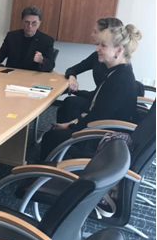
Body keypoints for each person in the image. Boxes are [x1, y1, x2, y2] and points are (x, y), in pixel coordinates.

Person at [40, 24, 141, 159]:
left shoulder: (119, 80)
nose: (97, 49)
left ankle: (45, 170)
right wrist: (71, 123)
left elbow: (97, 117)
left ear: (119, 50)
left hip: (105, 138)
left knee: (50, 137)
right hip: (104, 127)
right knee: (66, 112)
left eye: (103, 45)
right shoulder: (118, 71)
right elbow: (98, 109)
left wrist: (69, 126)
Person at [58, 17, 124, 123]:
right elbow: (72, 69)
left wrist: (72, 124)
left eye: (95, 32)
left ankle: (69, 131)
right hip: (97, 99)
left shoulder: (115, 68)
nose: (92, 35)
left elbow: (101, 103)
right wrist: (72, 78)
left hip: (103, 109)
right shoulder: (97, 56)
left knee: (70, 104)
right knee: (67, 105)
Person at [0, 6, 56, 72]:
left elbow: (51, 65)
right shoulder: (12, 36)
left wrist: (41, 60)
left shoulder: (47, 40)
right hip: (12, 75)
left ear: (39, 23)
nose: (30, 26)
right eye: (27, 22)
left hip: (32, 76)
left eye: (34, 23)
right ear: (22, 21)